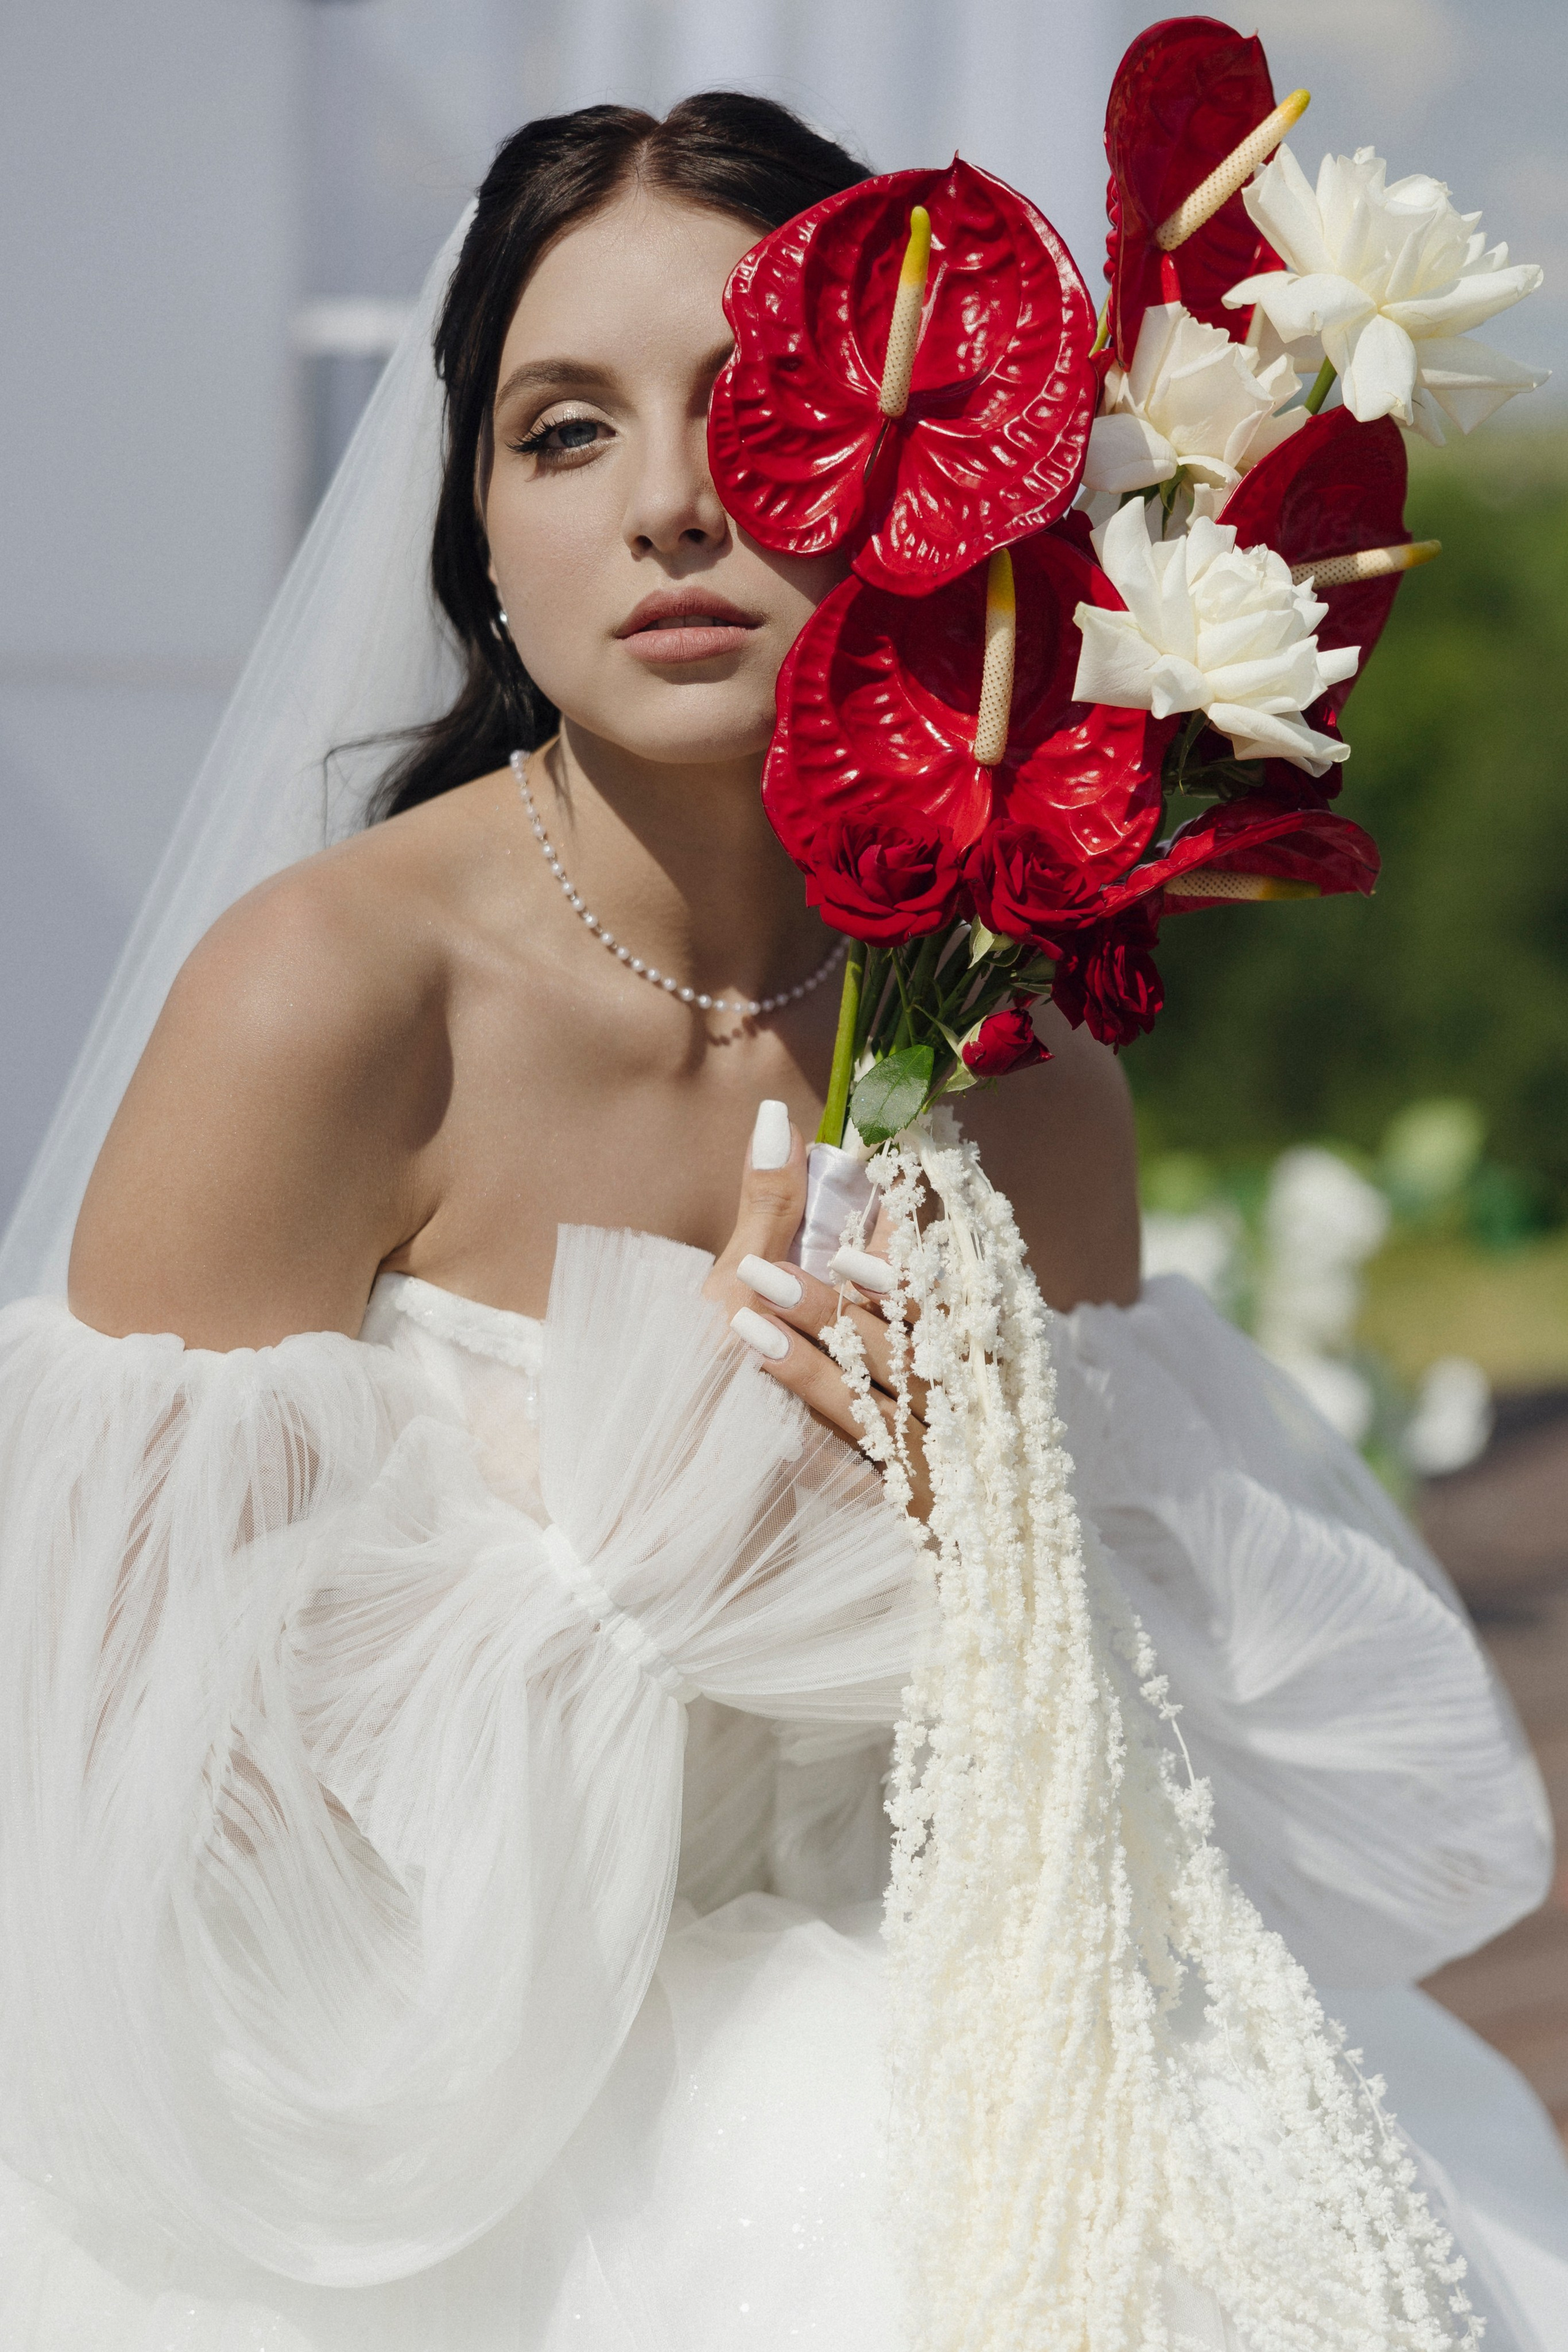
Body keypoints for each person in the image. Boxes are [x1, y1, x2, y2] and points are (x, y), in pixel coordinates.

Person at [0, 93, 1563, 2352]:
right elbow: (110, 1790)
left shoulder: (1025, 1079)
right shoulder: (332, 1004)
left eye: (761, 409)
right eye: (561, 431)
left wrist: (979, 1521)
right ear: (476, 522)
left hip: (932, 2019)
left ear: (930, 477)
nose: (671, 504)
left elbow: (1148, 1788)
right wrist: (689, 1560)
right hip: (388, 2129)